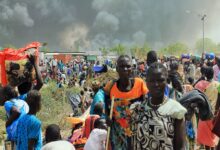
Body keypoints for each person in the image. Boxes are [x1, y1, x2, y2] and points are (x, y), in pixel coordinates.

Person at [131, 62, 186, 149]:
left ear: (166, 81)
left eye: (160, 80)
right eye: (152, 81)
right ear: (147, 82)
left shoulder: (175, 110)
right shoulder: (137, 109)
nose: (156, 84)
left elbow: (180, 147)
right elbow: (133, 142)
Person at [104, 55, 148, 150]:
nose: (125, 69)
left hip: (137, 130)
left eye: (128, 66)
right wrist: (108, 117)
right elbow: (106, 105)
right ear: (117, 69)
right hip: (118, 133)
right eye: (122, 66)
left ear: (132, 68)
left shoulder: (139, 84)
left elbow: (147, 103)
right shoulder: (111, 86)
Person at [194, 66, 220, 150]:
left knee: (206, 140)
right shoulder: (218, 85)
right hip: (214, 115)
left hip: (204, 114)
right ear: (213, 74)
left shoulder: (200, 84)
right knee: (213, 138)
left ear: (205, 74)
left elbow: (194, 92)